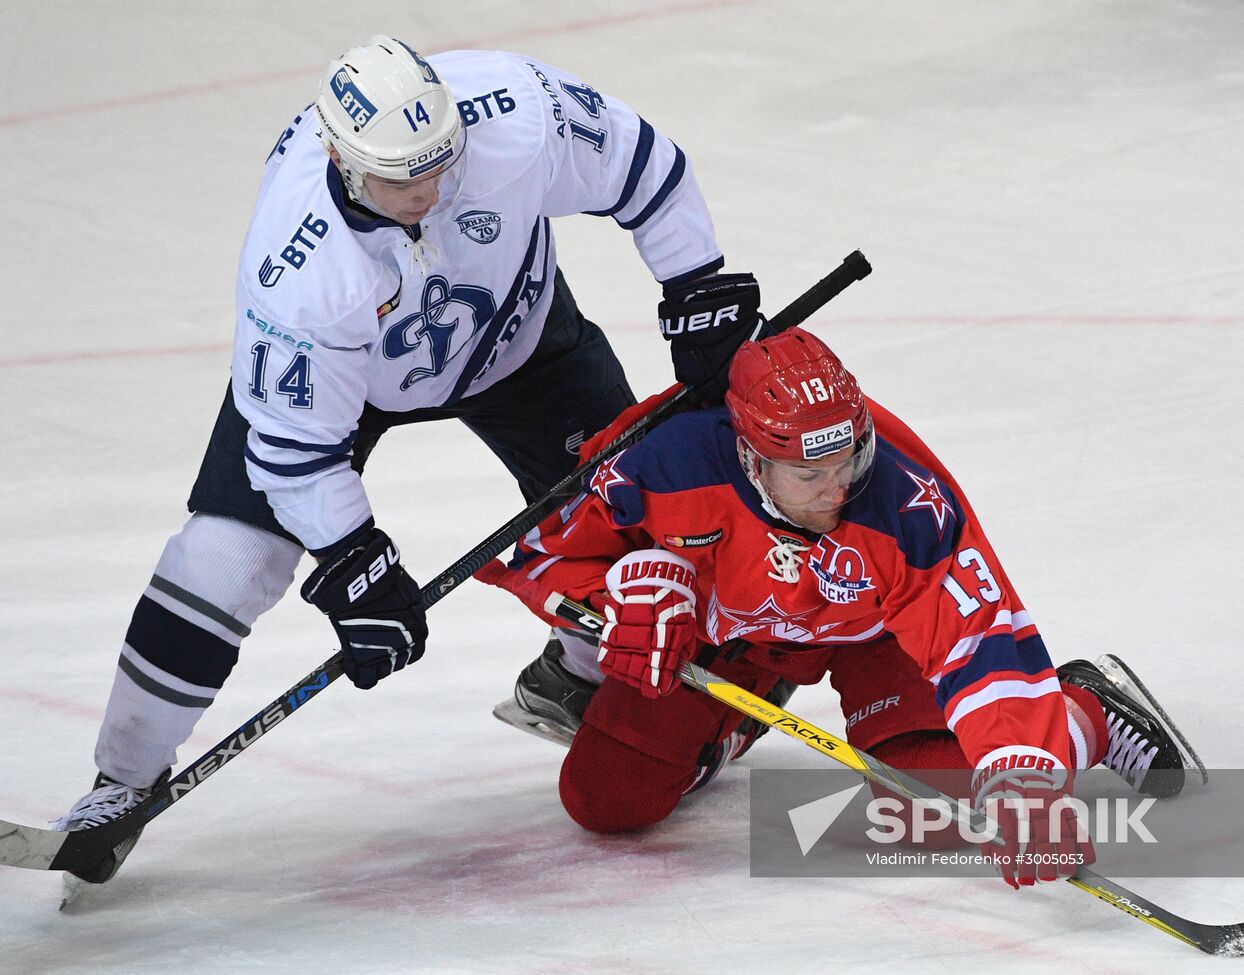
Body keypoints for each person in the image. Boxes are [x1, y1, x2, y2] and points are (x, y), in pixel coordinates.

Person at [51, 35, 769, 893]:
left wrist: (695, 287)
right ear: (342, 160)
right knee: (223, 558)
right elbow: (294, 450)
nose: (428, 193)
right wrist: (355, 560)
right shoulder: (298, 269)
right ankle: (120, 782)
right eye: (401, 179)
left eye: (439, 164)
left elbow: (642, 165)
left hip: (522, 343)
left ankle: (577, 679)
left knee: (635, 512)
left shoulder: (511, 113)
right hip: (348, 390)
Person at [477, 328, 1204, 888]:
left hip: (875, 634)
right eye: (810, 473)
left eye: (850, 459)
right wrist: (630, 591)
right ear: (750, 456)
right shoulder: (661, 461)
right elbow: (542, 552)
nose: (837, 489)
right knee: (604, 797)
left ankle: (1089, 710)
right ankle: (735, 715)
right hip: (740, 632)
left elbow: (980, 641)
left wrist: (1024, 772)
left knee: (927, 811)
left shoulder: (906, 502)